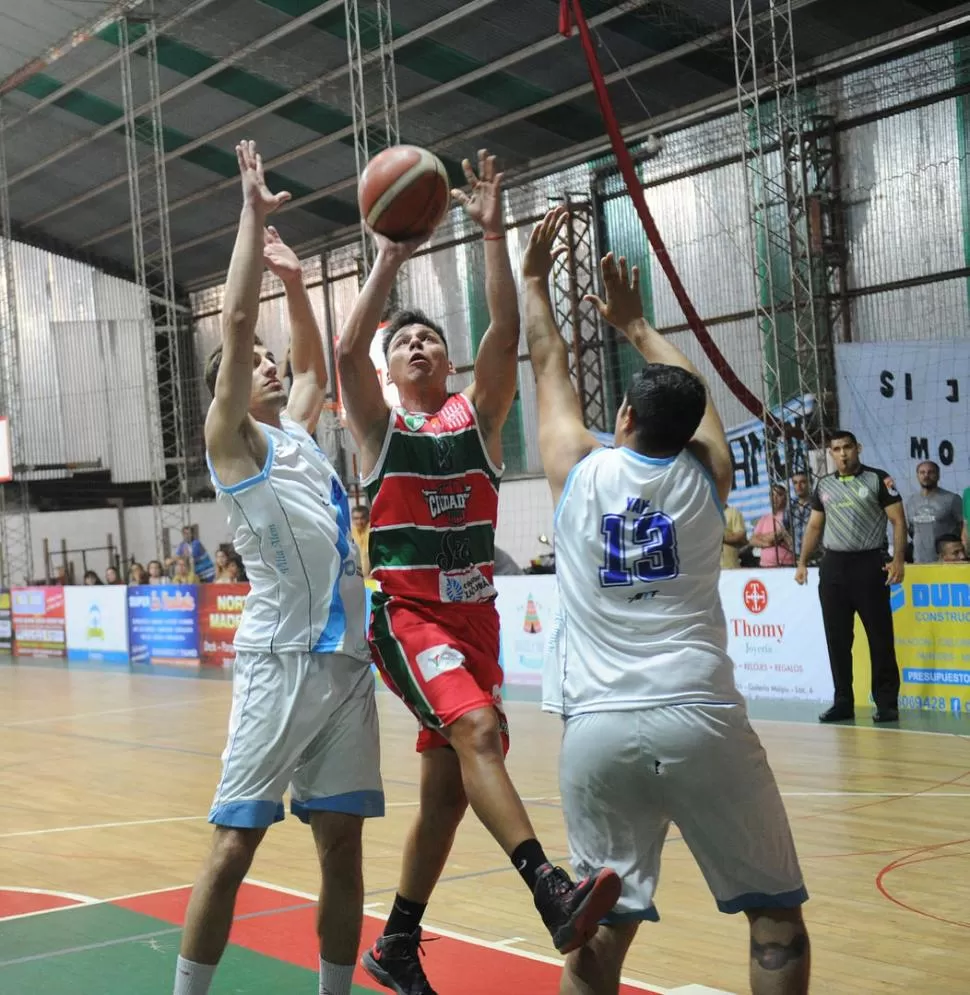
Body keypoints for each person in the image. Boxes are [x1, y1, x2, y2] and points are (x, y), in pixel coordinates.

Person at [337, 152, 620, 995]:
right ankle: (551, 890)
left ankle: (394, 943)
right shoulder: (378, 430)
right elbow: (350, 344)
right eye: (405, 342)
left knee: (449, 796)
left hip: (476, 620)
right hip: (410, 619)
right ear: (390, 374)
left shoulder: (478, 416)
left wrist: (492, 230)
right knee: (482, 734)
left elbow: (503, 333)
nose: (417, 343)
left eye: (429, 337)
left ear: (449, 365)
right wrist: (388, 249)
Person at [522, 213, 809, 995]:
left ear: (621, 420)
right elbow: (701, 401)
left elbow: (548, 358)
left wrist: (532, 283)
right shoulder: (709, 475)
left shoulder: (576, 467)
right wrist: (639, 323)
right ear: (688, 432)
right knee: (775, 919)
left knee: (601, 931)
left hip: (598, 728)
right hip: (701, 714)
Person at [173, 140, 382, 995]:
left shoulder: (295, 431)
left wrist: (299, 287)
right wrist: (253, 223)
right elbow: (229, 325)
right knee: (236, 844)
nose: (264, 363)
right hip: (280, 663)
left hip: (346, 664)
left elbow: (307, 366)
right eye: (246, 364)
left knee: (342, 844)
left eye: (266, 360)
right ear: (225, 390)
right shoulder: (235, 443)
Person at [795, 430, 906, 724]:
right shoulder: (824, 484)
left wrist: (898, 560)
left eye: (847, 448)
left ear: (858, 448)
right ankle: (843, 701)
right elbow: (815, 527)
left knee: (880, 637)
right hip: (833, 567)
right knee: (837, 639)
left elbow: (898, 520)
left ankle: (886, 703)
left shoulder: (878, 479)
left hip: (869, 564)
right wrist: (802, 561)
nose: (842, 454)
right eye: (836, 449)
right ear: (830, 453)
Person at [904, 461, 962, 564]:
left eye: (931, 472)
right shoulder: (911, 501)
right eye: (922, 472)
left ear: (938, 475)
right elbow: (912, 530)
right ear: (917, 476)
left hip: (946, 562)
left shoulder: (952, 499)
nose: (926, 475)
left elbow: (964, 527)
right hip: (919, 561)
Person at [750, 484, 795, 567]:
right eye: (772, 495)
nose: (775, 498)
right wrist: (767, 543)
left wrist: (762, 537)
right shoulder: (764, 518)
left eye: (779, 495)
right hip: (765, 565)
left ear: (786, 498)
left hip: (785, 564)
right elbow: (752, 540)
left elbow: (777, 536)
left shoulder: (790, 516)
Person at [720, 503, 747, 569]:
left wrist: (719, 537)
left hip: (729, 568)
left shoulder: (733, 512)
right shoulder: (707, 515)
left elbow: (741, 536)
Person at [351, 504, 372, 578]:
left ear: (368, 517)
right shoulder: (350, 533)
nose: (359, 521)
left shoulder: (372, 531)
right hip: (357, 578)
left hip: (372, 578)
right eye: (356, 518)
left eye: (362, 518)